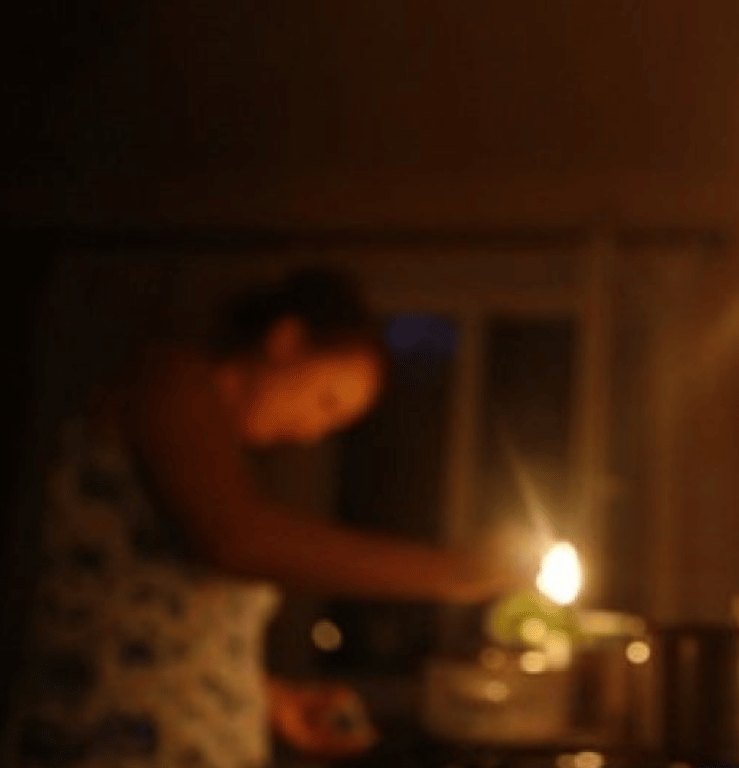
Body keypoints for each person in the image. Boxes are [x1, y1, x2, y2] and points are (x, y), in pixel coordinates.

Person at [2, 267, 530, 768]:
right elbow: (235, 540)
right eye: (326, 401)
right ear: (287, 341)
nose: (311, 432)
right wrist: (457, 572)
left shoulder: (222, 463)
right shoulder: (170, 380)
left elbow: (164, 626)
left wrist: (270, 699)